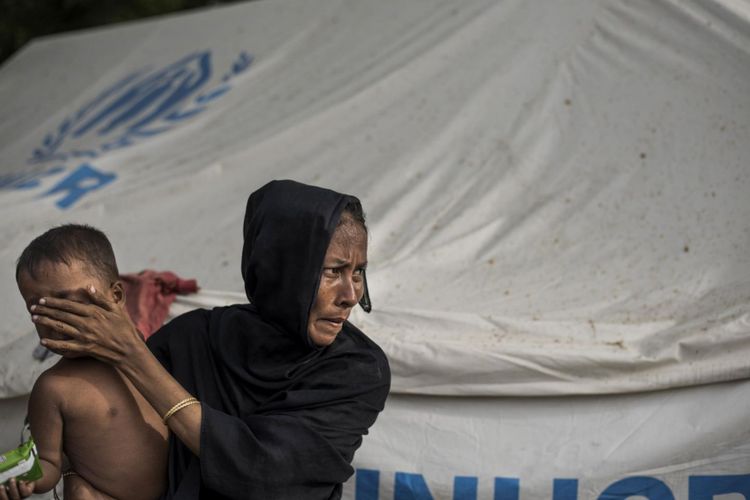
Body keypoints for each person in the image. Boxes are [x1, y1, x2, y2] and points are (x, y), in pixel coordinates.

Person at [30, 180, 391, 499]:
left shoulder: (357, 370)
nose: (350, 294)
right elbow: (117, 429)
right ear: (281, 267)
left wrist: (131, 353)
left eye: (357, 272)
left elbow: (261, 471)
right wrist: (75, 475)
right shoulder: (197, 336)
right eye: (333, 272)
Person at [11, 224, 168, 500]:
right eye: (37, 308)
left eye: (64, 302)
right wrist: (23, 477)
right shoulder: (53, 388)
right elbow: (49, 463)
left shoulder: (147, 354)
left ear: (116, 296)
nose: (52, 318)